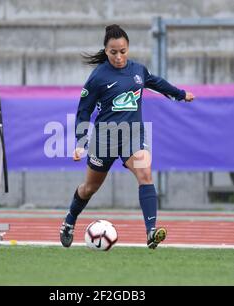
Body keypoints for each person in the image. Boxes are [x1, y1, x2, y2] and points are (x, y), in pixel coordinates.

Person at [60, 25, 194, 249]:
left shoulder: (138, 71)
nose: (119, 56)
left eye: (123, 51)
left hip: (133, 135)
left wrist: (180, 94)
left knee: (145, 173)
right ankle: (69, 221)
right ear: (106, 50)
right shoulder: (97, 78)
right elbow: (83, 111)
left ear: (128, 48)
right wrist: (81, 142)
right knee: (89, 188)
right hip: (105, 138)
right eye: (113, 52)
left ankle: (151, 232)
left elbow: (157, 83)